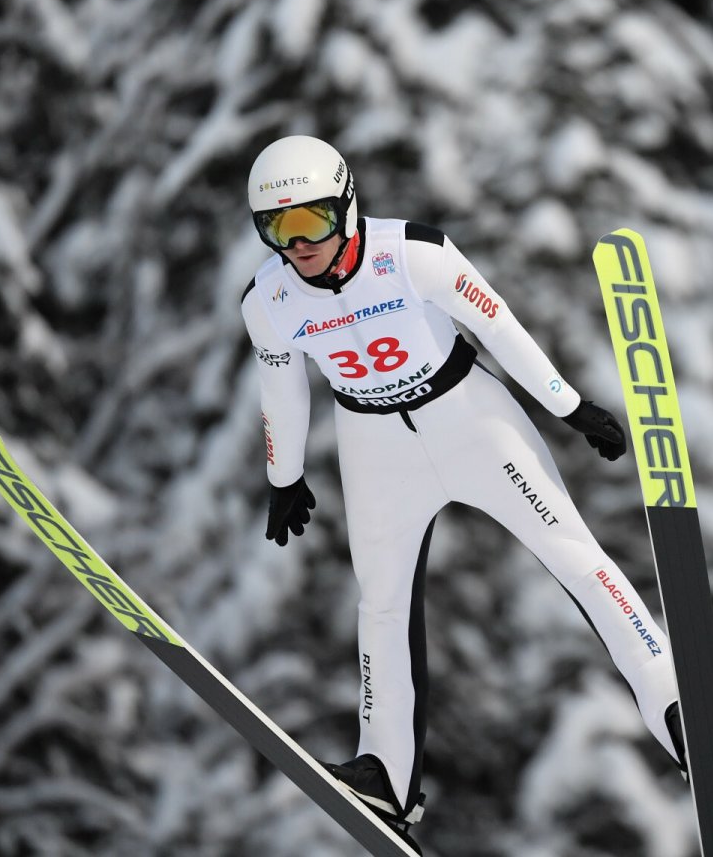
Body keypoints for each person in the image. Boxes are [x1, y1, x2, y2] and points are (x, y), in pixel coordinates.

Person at [240, 135, 684, 847]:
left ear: (347, 207)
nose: (300, 244)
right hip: (374, 443)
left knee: (573, 553)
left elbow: (498, 325)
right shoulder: (268, 300)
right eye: (278, 229)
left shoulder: (413, 254)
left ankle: (673, 705)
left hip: (470, 420)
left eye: (313, 221)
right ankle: (387, 776)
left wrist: (568, 407)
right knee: (380, 603)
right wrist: (283, 479)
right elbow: (281, 391)